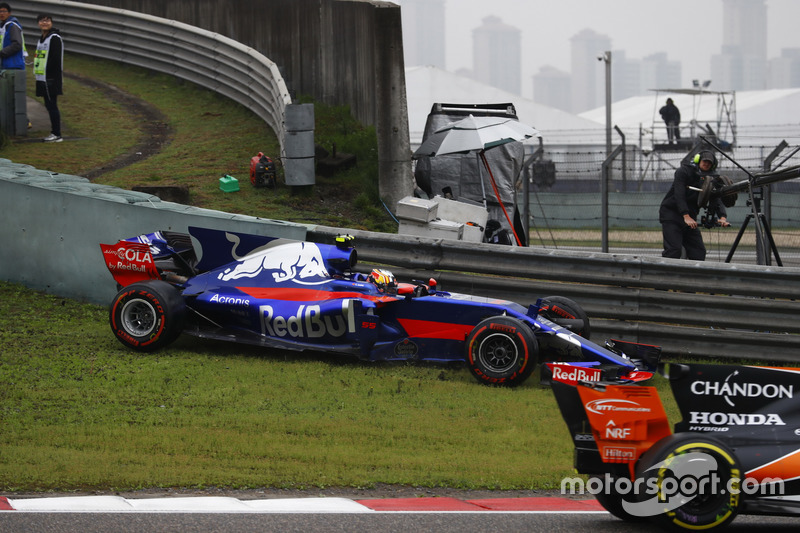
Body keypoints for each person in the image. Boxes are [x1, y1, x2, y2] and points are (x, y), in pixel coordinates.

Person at [659, 150, 730, 260]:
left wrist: (722, 217)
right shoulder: (683, 172)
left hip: (690, 218)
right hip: (672, 214)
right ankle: (665, 275)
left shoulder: (711, 178)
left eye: (709, 163)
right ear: (698, 160)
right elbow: (679, 194)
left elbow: (716, 198)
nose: (706, 164)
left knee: (698, 252)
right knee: (674, 250)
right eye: (704, 161)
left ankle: (693, 276)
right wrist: (685, 215)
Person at [34, 13, 63, 142]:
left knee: (52, 105)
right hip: (42, 78)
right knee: (49, 105)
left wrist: (48, 73)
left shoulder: (54, 38)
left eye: (47, 20)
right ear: (38, 23)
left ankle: (56, 134)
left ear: (51, 22)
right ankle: (55, 133)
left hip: (51, 79)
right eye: (42, 21)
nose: (44, 23)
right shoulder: (42, 38)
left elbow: (55, 59)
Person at [0, 3, 25, 70]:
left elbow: (17, 44)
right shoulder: (2, 27)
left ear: (9, 13)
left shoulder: (12, 25)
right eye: (0, 11)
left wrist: (2, 53)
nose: (2, 13)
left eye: (4, 11)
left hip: (13, 65)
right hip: (5, 64)